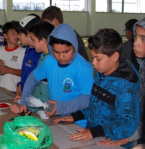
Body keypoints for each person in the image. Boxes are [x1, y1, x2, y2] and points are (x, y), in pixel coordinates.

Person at [54, 28, 140, 149]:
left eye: (98, 59)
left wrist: (95, 132)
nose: (93, 63)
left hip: (111, 142)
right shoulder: (102, 72)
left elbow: (128, 124)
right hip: (94, 136)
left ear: (115, 56)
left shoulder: (126, 85)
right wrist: (77, 115)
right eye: (92, 57)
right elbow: (95, 104)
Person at [19, 23, 94, 116]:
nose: (61, 57)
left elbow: (87, 99)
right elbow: (32, 78)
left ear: (74, 46)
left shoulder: (83, 68)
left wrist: (61, 107)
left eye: (66, 51)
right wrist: (24, 100)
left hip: (77, 120)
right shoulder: (49, 61)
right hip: (56, 118)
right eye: (56, 52)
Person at [98, 19, 145, 149]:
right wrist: (131, 137)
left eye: (143, 39)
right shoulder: (142, 66)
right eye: (136, 37)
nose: (135, 43)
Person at [10, 21, 54, 113]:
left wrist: (26, 107)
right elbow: (33, 83)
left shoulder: (50, 61)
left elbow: (45, 97)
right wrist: (25, 101)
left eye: (33, 40)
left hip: (43, 111)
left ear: (43, 41)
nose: (32, 44)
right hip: (37, 107)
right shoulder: (43, 56)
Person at [11, 14, 41, 99]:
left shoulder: (40, 54)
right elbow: (26, 73)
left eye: (20, 33)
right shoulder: (28, 49)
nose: (17, 36)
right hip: (25, 97)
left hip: (34, 100)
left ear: (28, 34)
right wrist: (20, 84)